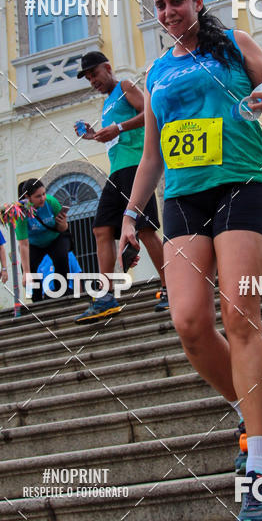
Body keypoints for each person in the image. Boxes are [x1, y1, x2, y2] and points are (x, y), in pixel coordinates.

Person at [117, 0, 262, 521]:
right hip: (184, 201)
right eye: (160, 5)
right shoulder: (157, 73)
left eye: (178, 0)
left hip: (243, 185)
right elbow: (152, 156)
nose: (169, 11)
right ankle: (260, 419)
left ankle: (258, 463)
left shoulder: (237, 46)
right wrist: (130, 214)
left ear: (197, 1)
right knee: (190, 323)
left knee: (241, 317)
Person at [74, 51, 168, 323]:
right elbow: (115, 135)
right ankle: (105, 296)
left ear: (107, 68)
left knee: (146, 229)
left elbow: (149, 114)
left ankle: (170, 286)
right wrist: (96, 135)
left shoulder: (125, 86)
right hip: (117, 171)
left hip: (137, 167)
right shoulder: (106, 105)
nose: (93, 80)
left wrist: (118, 127)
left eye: (94, 74)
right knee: (101, 228)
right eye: (88, 77)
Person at [16, 179, 71, 303]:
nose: (43, 198)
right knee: (28, 266)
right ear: (27, 197)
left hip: (54, 238)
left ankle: (62, 293)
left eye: (44, 194)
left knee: (61, 258)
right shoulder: (21, 213)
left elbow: (63, 228)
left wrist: (63, 223)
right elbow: (23, 244)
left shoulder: (51, 202)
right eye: (38, 196)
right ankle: (36, 300)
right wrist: (26, 272)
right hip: (34, 244)